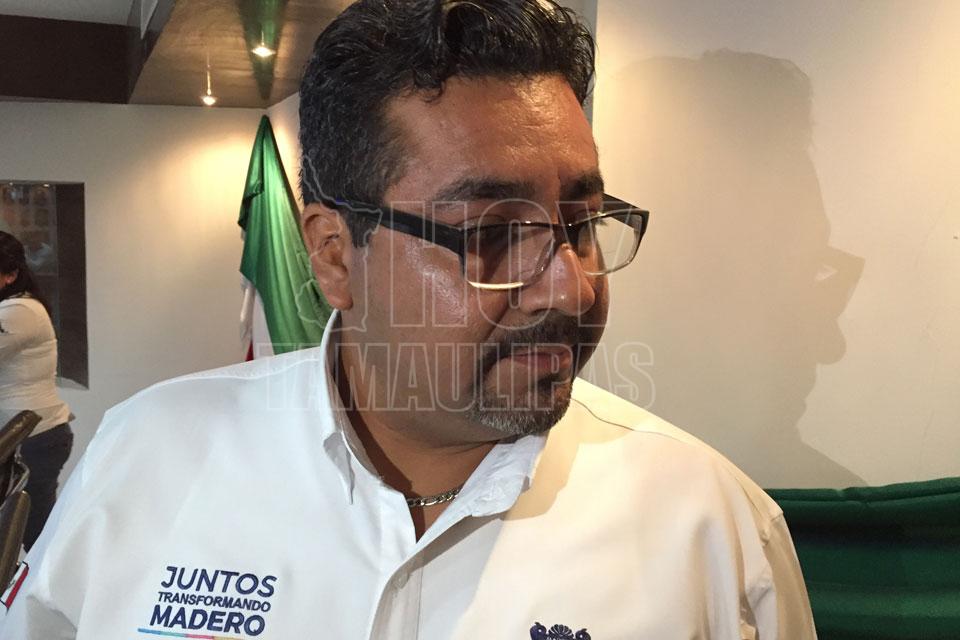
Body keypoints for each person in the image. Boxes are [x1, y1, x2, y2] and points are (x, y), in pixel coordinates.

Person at [0, 1, 817, 638]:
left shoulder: (713, 528)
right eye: (491, 233)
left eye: (582, 224)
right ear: (333, 255)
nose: (570, 290)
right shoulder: (148, 457)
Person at [0, 231, 73, 551]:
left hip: (32, 441)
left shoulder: (19, 311)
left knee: (36, 541)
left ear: (11, 274)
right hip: (24, 440)